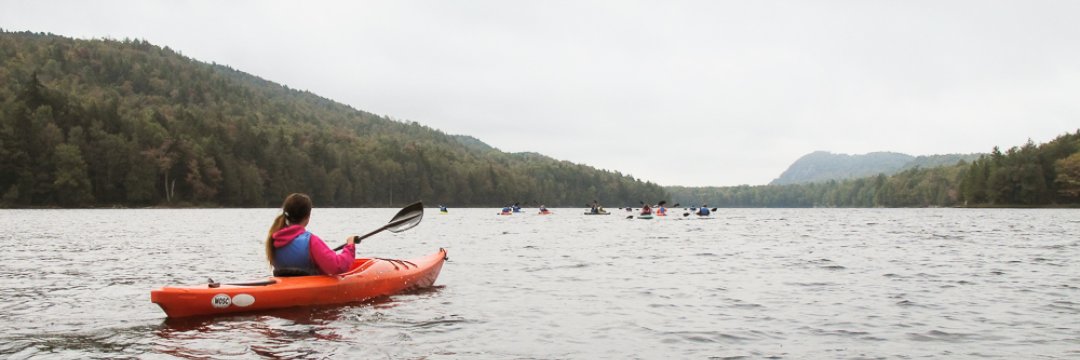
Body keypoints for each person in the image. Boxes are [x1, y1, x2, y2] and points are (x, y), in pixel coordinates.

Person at [265, 193, 357, 277]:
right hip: (308, 289)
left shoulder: (274, 240)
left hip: (284, 287)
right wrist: (350, 246)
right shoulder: (310, 241)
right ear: (307, 217)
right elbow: (338, 267)